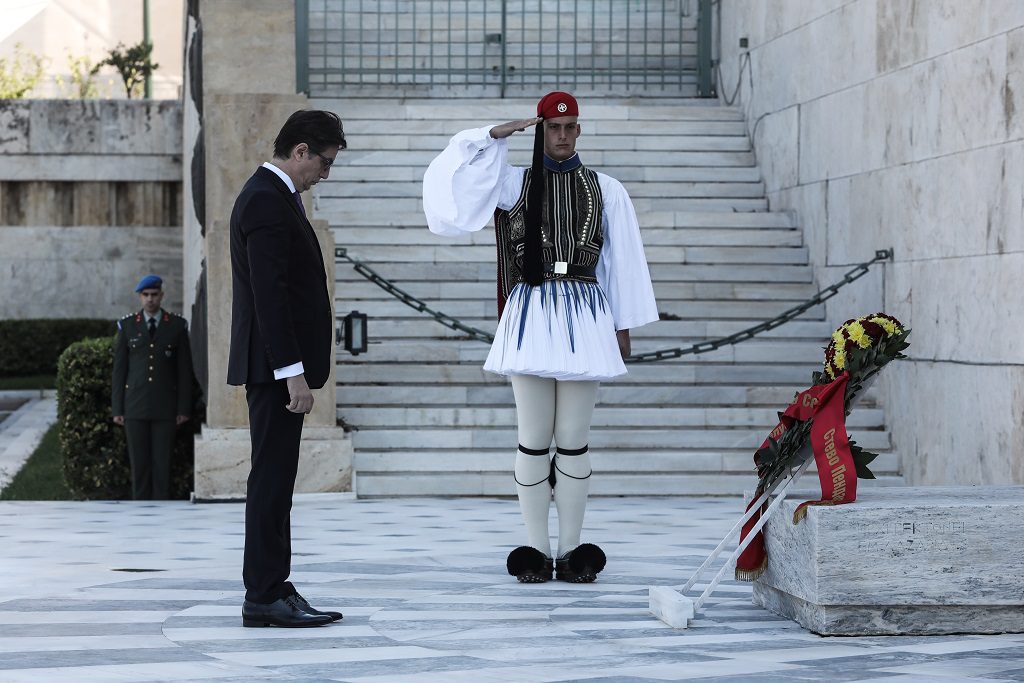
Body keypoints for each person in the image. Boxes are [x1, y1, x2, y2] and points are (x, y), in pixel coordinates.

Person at [423, 92, 659, 583]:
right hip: (531, 311)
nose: (562, 135)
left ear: (579, 129)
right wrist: (494, 134)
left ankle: (572, 551)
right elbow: (453, 185)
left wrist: (623, 325)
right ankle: (534, 547)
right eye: (553, 127)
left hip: (584, 311)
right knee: (533, 439)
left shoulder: (604, 188)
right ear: (540, 129)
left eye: (570, 127)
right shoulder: (511, 183)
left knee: (573, 440)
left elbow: (623, 260)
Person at [227, 109, 346, 628]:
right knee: (271, 482)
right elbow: (269, 298)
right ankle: (263, 594)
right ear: (300, 151)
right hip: (275, 370)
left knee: (277, 480)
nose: (325, 172)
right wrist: (291, 373)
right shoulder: (264, 201)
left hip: (278, 367)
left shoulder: (277, 198)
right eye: (324, 161)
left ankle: (275, 584)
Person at [112, 274, 194, 500]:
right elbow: (119, 371)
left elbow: (184, 371)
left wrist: (183, 408)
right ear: (140, 297)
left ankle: (162, 511)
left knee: (162, 463)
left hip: (165, 406)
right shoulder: (127, 326)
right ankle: (140, 509)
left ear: (161, 296)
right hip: (135, 406)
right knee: (139, 464)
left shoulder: (176, 326)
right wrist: (117, 409)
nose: (150, 299)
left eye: (154, 295)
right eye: (145, 295)